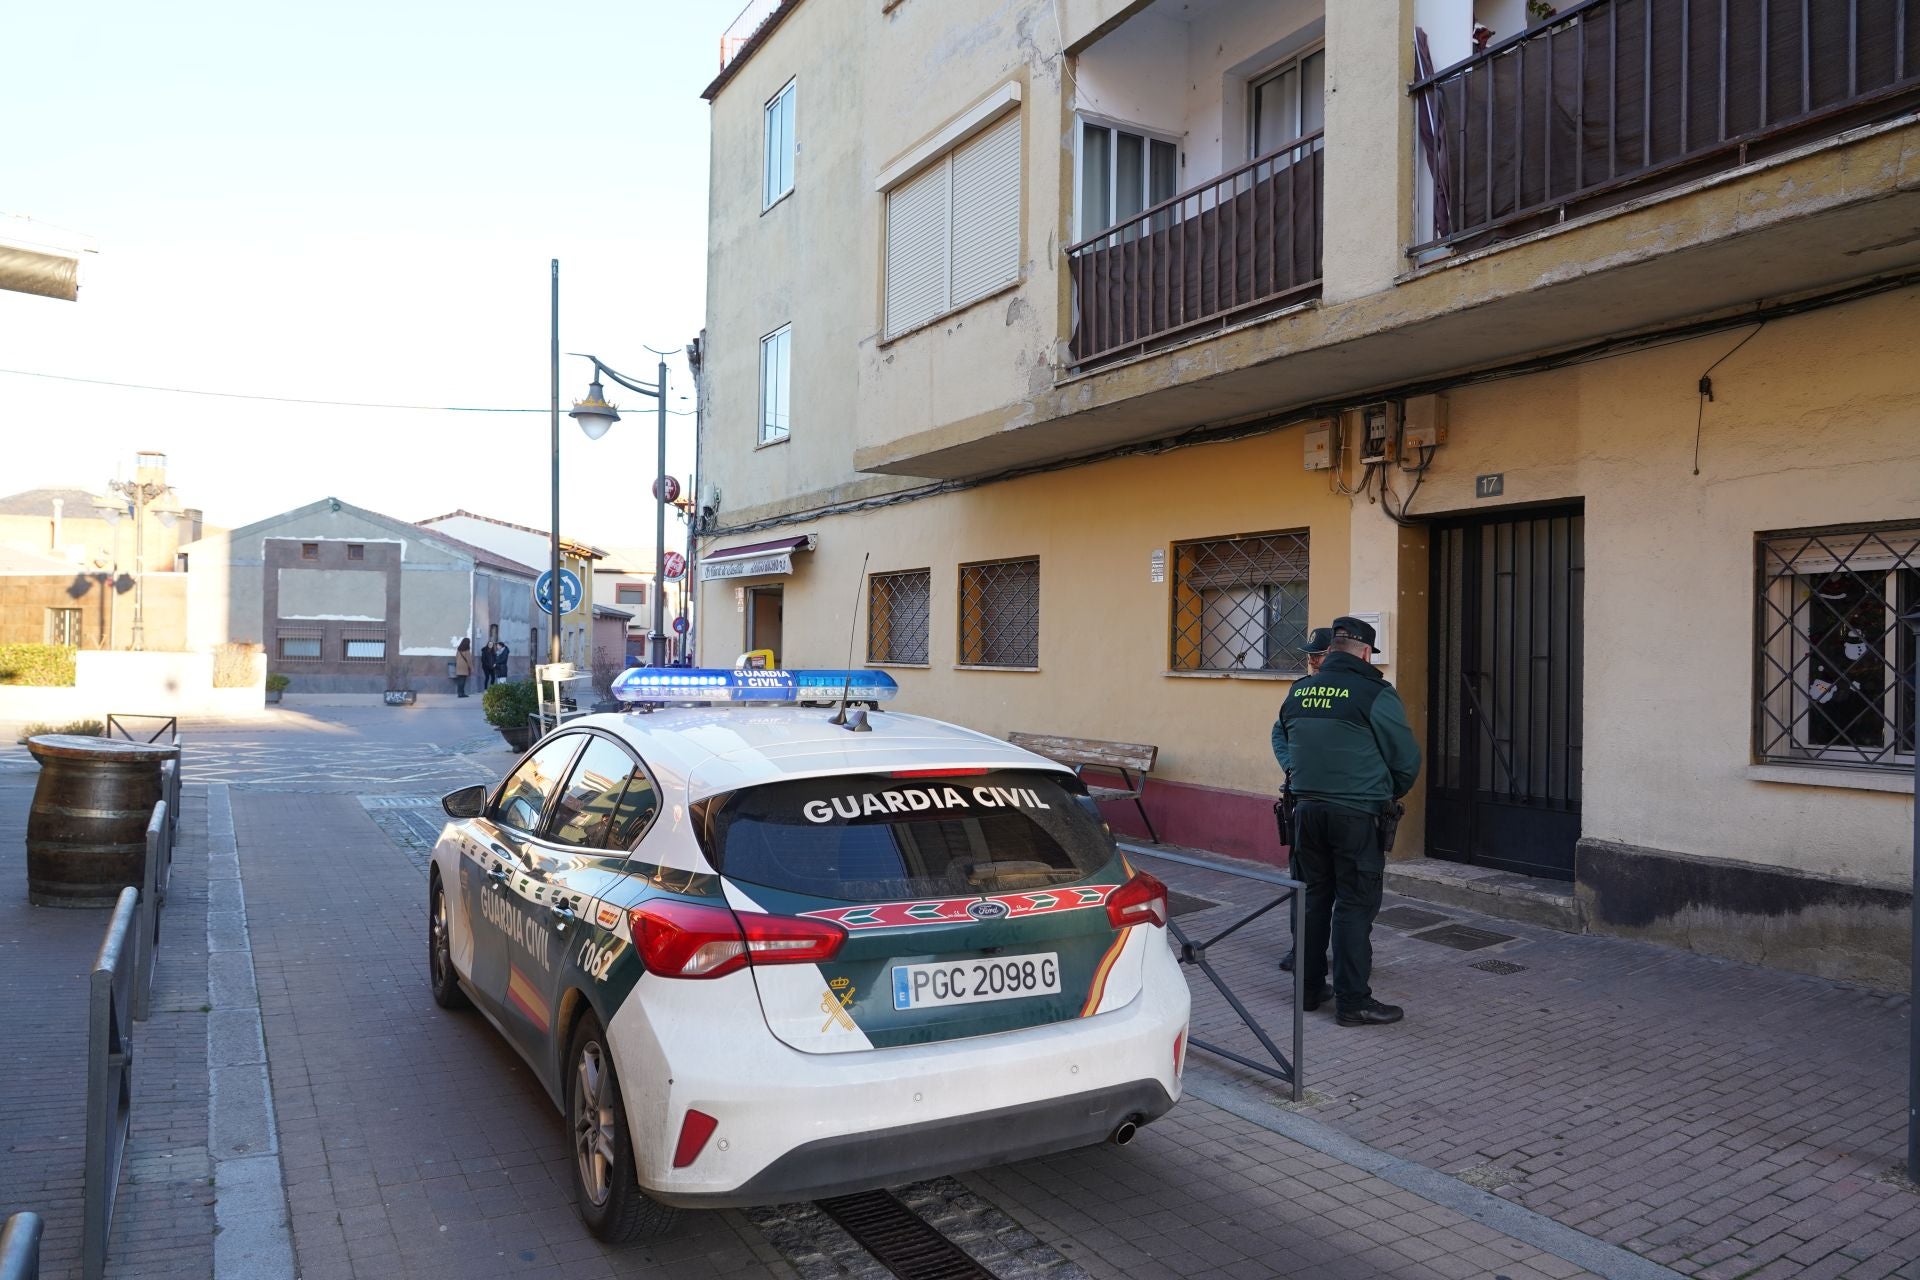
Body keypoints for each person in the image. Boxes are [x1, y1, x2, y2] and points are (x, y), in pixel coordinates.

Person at [1270, 615, 1420, 1027]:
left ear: (1332, 650)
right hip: (1357, 814)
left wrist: (1297, 775)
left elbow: (1285, 738)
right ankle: (1353, 1002)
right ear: (1367, 652)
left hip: (1305, 812)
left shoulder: (1301, 692)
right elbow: (1405, 760)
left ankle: (1309, 989)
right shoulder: (1375, 692)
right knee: (1354, 905)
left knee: (1314, 899)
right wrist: (1387, 790)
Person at [1276, 626, 1334, 975]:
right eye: (1310, 654)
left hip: (1344, 803)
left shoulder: (1360, 693)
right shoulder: (1299, 690)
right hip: (1304, 800)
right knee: (1304, 882)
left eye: (1319, 653)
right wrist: (1292, 766)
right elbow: (1278, 732)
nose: (1312, 659)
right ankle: (1302, 950)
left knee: (1348, 888)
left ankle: (1351, 956)